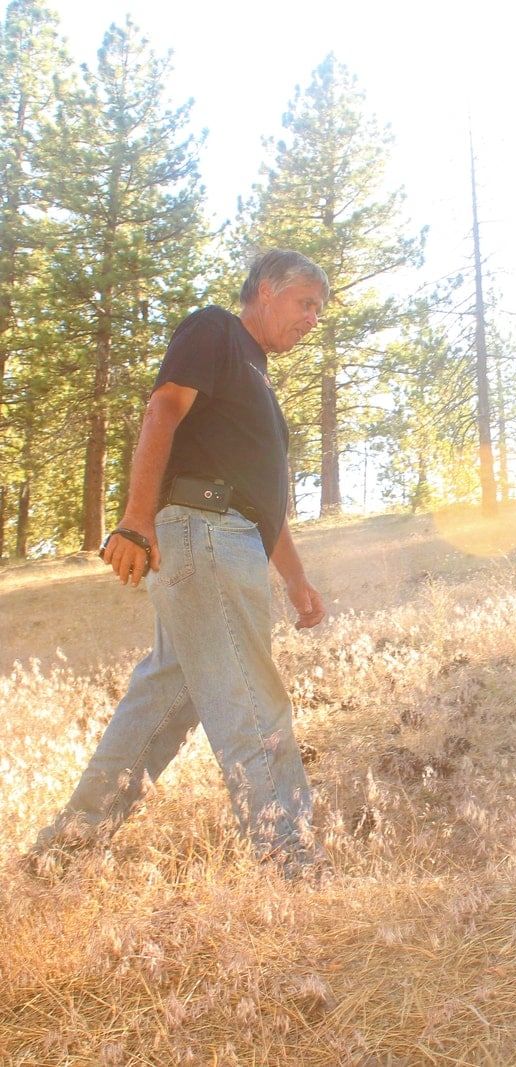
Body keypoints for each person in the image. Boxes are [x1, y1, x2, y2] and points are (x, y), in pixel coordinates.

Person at [26, 249, 330, 880]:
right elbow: (162, 409)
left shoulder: (260, 385)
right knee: (250, 699)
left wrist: (298, 583)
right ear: (266, 290)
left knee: (162, 703)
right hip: (204, 536)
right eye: (305, 303)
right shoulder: (216, 330)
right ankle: (294, 869)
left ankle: (63, 853)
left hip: (226, 538)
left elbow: (263, 503)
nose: (312, 319)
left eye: (318, 311)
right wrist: (136, 518)